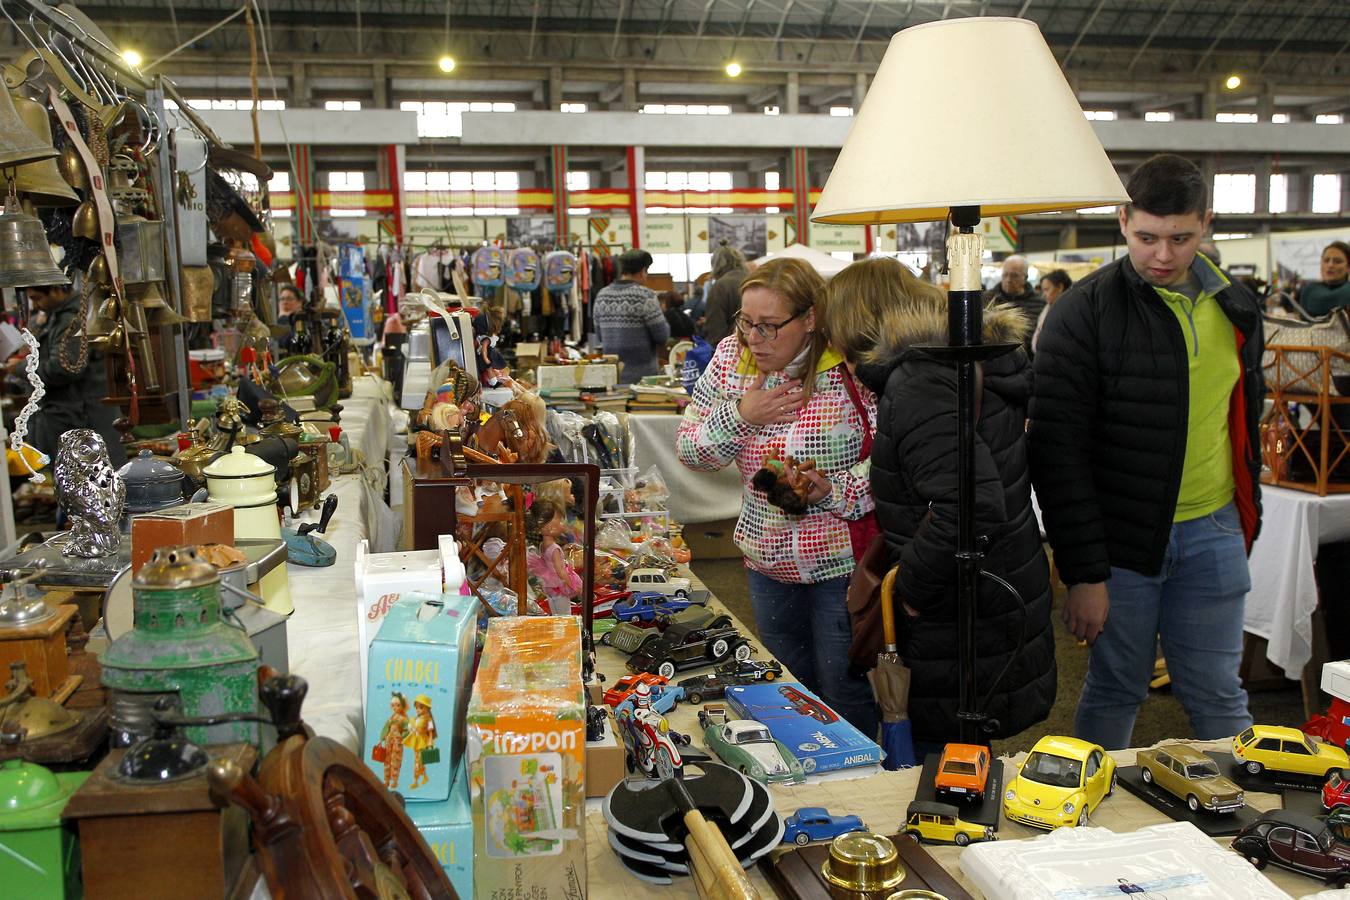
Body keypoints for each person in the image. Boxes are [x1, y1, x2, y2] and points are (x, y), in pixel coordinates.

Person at [1029, 153, 1264, 750]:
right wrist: (1084, 572)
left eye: (1181, 238)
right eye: (1147, 237)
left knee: (1218, 692)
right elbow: (1057, 452)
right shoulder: (1081, 312)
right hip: (1121, 544)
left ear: (1206, 223)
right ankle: (1099, 829)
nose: (1163, 255)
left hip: (1213, 529)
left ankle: (1254, 830)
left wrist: (1241, 518)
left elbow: (1240, 422)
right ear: (1122, 219)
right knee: (1116, 687)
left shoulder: (1235, 306)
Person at [822, 257, 1056, 745]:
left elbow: (966, 507)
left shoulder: (920, 382)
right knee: (967, 759)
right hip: (991, 587)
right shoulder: (968, 360)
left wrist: (911, 590)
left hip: (957, 603)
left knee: (944, 771)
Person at [676, 257, 877, 736]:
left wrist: (835, 490)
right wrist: (743, 413)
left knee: (844, 690)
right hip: (766, 563)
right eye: (747, 323)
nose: (754, 339)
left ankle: (866, 787)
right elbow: (691, 450)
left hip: (840, 564)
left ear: (810, 320)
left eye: (769, 326)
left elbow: (894, 455)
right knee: (786, 688)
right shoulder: (730, 360)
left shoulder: (849, 362)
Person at [20, 282, 124, 467]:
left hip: (82, 421)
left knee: (92, 482)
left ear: (56, 290)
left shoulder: (72, 319)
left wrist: (21, 368)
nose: (36, 305)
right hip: (74, 420)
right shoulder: (61, 317)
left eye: (38, 298)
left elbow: (64, 368)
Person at [593, 248, 670, 384]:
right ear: (642, 271)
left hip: (612, 377)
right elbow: (662, 336)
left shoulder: (601, 295)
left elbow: (599, 336)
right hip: (643, 378)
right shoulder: (645, 296)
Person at [984, 255, 1044, 354]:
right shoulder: (988, 299)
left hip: (1028, 360)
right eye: (1005, 275)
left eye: (1014, 275)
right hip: (993, 360)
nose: (1008, 280)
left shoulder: (1039, 303)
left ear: (1025, 278)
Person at [701, 243, 750, 348]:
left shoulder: (719, 287)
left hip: (732, 353)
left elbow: (715, 331)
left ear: (716, 265)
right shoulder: (754, 280)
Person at [1295, 241, 1350, 316]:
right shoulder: (1308, 290)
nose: (1330, 265)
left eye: (1337, 261)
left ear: (1348, 267)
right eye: (1326, 260)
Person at [1031, 269, 1073, 354]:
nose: (1044, 295)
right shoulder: (1048, 308)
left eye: (1046, 289)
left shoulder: (1070, 310)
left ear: (1060, 287)